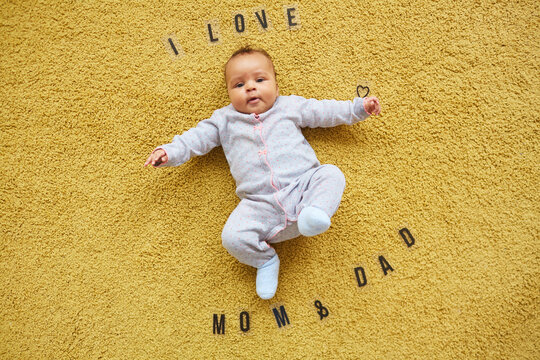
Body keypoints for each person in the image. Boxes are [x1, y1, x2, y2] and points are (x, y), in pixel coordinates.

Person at [144, 45, 381, 299]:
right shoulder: (223, 120)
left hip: (302, 188)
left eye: (259, 79)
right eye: (238, 85)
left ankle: (315, 212)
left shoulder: (289, 106)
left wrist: (357, 109)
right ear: (228, 93)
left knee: (331, 174)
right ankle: (265, 261)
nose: (250, 87)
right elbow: (195, 139)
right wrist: (169, 152)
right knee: (231, 237)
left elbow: (324, 111)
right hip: (259, 205)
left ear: (276, 86)